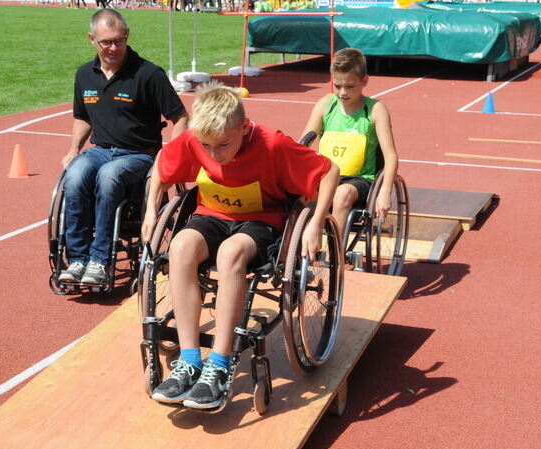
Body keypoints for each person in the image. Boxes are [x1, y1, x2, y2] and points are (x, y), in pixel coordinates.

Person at [143, 82, 339, 408]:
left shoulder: (273, 143)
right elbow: (163, 161)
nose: (214, 154)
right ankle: (190, 361)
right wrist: (152, 210)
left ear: (244, 127)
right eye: (206, 146)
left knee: (230, 252)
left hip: (261, 221)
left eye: (223, 144)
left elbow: (330, 171)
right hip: (212, 214)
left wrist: (317, 222)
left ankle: (219, 366)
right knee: (179, 247)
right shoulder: (195, 138)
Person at [58, 10, 189, 286]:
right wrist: (73, 149)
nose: (113, 47)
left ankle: (99, 261)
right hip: (100, 150)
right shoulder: (84, 75)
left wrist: (170, 154)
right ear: (92, 39)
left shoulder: (149, 74)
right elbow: (82, 118)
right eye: (106, 42)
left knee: (109, 176)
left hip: (138, 153)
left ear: (127, 35)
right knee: (75, 173)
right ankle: (78, 258)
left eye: (119, 40)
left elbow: (180, 117)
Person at [300, 48, 399, 241]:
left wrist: (385, 191)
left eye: (350, 86)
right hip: (326, 175)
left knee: (341, 194)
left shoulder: (375, 110)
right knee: (297, 193)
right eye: (337, 86)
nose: (343, 92)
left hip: (359, 179)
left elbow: (391, 156)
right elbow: (304, 143)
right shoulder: (326, 104)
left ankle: (334, 249)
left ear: (364, 81)